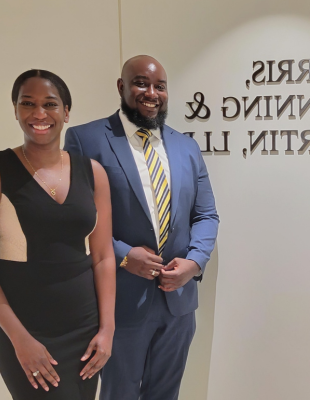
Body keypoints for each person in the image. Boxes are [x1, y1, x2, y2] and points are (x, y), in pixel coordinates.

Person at [64, 55, 219, 400]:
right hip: (118, 302)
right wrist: (122, 254)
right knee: (118, 393)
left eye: (160, 86)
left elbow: (207, 215)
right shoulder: (85, 140)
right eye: (141, 83)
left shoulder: (186, 146)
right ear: (122, 87)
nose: (151, 92)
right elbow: (75, 218)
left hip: (178, 304)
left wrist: (194, 263)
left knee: (166, 394)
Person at [0, 70, 115, 399]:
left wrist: (107, 329)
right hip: (23, 330)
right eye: (28, 103)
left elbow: (104, 257)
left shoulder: (92, 173)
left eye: (50, 104)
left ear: (66, 112)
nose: (39, 114)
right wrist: (19, 339)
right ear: (16, 109)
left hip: (85, 330)